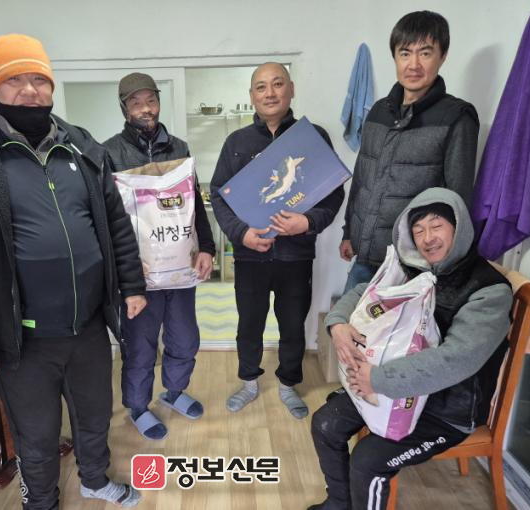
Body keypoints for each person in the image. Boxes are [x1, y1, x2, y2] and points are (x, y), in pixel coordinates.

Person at [0, 34, 146, 509]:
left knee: (94, 415)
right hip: (22, 338)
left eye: (39, 79)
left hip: (88, 326)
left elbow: (115, 224)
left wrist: (131, 284)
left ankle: (94, 479)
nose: (30, 90)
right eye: (14, 79)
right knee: (37, 434)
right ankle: (39, 501)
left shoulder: (80, 145)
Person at [308, 188, 513, 510]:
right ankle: (339, 503)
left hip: (447, 412)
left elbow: (455, 361)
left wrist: (377, 379)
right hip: (394, 389)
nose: (427, 238)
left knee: (367, 461)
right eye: (418, 230)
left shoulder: (489, 290)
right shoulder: (413, 268)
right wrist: (337, 324)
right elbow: (363, 291)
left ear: (459, 228)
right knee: (325, 424)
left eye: (437, 226)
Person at [210, 62, 345, 418]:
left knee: (292, 325)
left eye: (277, 84)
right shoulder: (237, 143)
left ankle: (288, 384)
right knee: (249, 325)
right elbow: (219, 195)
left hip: (295, 258)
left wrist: (307, 222)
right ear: (252, 95)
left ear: (291, 89)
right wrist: (241, 233)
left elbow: (333, 193)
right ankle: (249, 382)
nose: (270, 93)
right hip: (250, 257)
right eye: (261, 87)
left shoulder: (311, 138)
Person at [104, 72, 216, 440]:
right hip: (139, 276)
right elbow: (106, 217)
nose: (145, 109)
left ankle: (174, 391)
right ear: (125, 109)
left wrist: (207, 247)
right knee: (140, 346)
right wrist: (121, 268)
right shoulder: (109, 153)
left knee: (184, 338)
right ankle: (138, 406)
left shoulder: (180, 148)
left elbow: (194, 205)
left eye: (150, 100)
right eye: (136, 103)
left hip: (180, 269)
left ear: (158, 102)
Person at [340, 10, 480, 292]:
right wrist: (348, 232)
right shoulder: (378, 111)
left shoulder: (456, 117)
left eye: (425, 53)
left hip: (414, 267)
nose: (413, 64)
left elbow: (457, 201)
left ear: (443, 56)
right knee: (348, 320)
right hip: (365, 259)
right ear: (395, 56)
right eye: (405, 53)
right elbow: (362, 179)